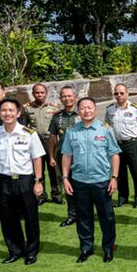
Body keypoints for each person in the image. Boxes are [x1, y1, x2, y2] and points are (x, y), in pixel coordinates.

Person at [0, 99, 45, 265]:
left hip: (25, 180)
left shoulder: (29, 134)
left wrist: (38, 181)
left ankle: (31, 252)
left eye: (11, 110)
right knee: (8, 219)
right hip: (3, 181)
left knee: (30, 218)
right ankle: (15, 251)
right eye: (4, 110)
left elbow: (37, 158)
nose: (7, 113)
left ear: (18, 113)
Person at [60, 97, 121, 263]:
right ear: (78, 111)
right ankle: (86, 248)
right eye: (83, 108)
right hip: (79, 182)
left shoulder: (105, 130)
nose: (86, 111)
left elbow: (114, 155)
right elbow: (66, 155)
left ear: (95, 110)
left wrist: (114, 178)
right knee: (83, 217)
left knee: (106, 217)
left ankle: (108, 249)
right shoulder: (72, 131)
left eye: (89, 107)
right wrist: (65, 178)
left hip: (101, 181)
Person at [104, 84, 137, 208]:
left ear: (127, 94)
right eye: (116, 93)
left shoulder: (134, 108)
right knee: (120, 172)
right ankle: (123, 197)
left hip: (132, 143)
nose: (119, 96)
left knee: (136, 172)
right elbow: (106, 124)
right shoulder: (110, 109)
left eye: (122, 93)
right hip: (117, 144)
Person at [23, 84, 62, 204]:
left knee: (54, 170)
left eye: (42, 92)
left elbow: (58, 127)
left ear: (46, 94)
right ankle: (41, 195)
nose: (40, 95)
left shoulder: (54, 108)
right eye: (37, 93)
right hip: (36, 143)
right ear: (33, 94)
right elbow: (24, 127)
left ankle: (56, 195)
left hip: (51, 142)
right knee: (38, 169)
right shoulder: (27, 109)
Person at [48, 86, 80, 227]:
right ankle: (72, 215)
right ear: (60, 99)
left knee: (82, 185)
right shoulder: (57, 117)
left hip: (81, 156)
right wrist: (51, 156)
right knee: (67, 185)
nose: (67, 98)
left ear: (75, 97)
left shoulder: (83, 113)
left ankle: (85, 214)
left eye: (69, 96)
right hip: (63, 155)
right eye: (63, 96)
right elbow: (53, 137)